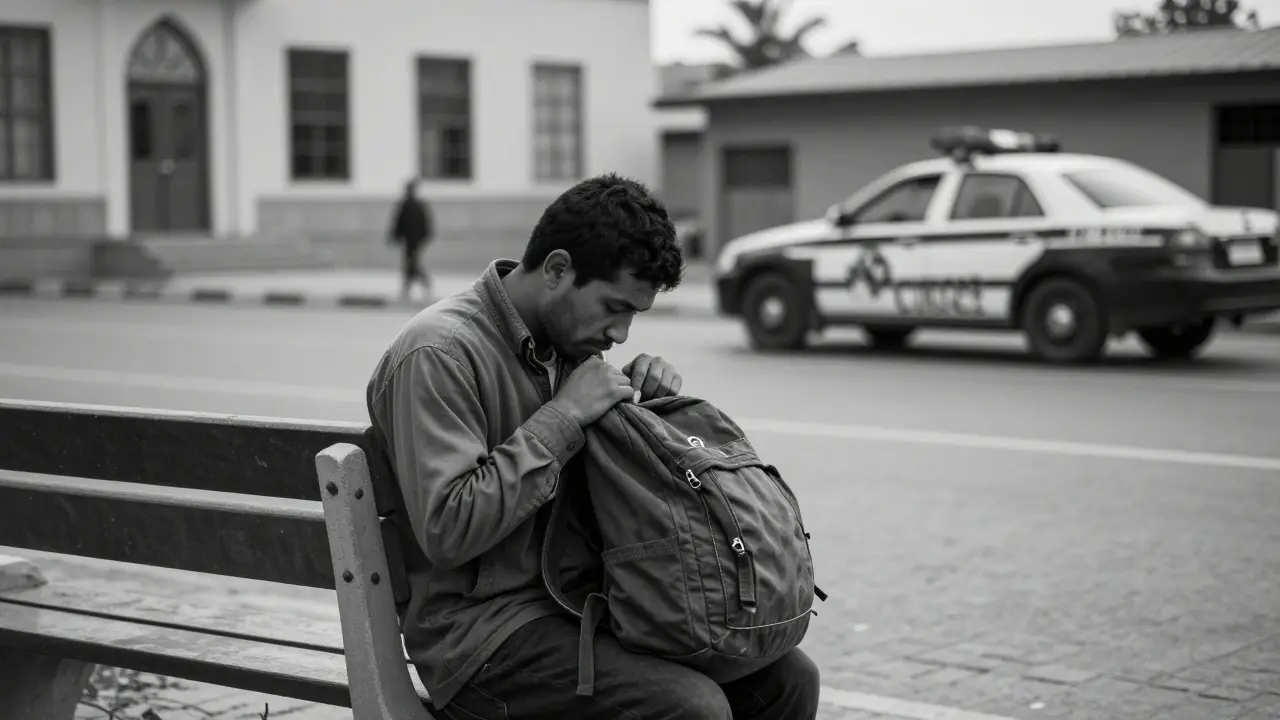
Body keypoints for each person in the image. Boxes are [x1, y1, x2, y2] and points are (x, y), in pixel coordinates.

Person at [365, 173, 821, 720]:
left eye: (634, 315)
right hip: (479, 640)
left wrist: (640, 413)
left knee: (789, 678)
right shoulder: (439, 353)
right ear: (558, 269)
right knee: (691, 709)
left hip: (579, 605)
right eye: (613, 307)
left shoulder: (567, 344)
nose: (621, 333)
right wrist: (565, 417)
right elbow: (449, 527)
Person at [388, 177, 435, 301]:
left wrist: (395, 236)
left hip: (412, 239)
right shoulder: (415, 204)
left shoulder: (410, 204)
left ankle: (415, 286)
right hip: (413, 239)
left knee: (411, 263)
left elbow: (399, 222)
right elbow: (400, 222)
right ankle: (411, 287)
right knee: (411, 262)